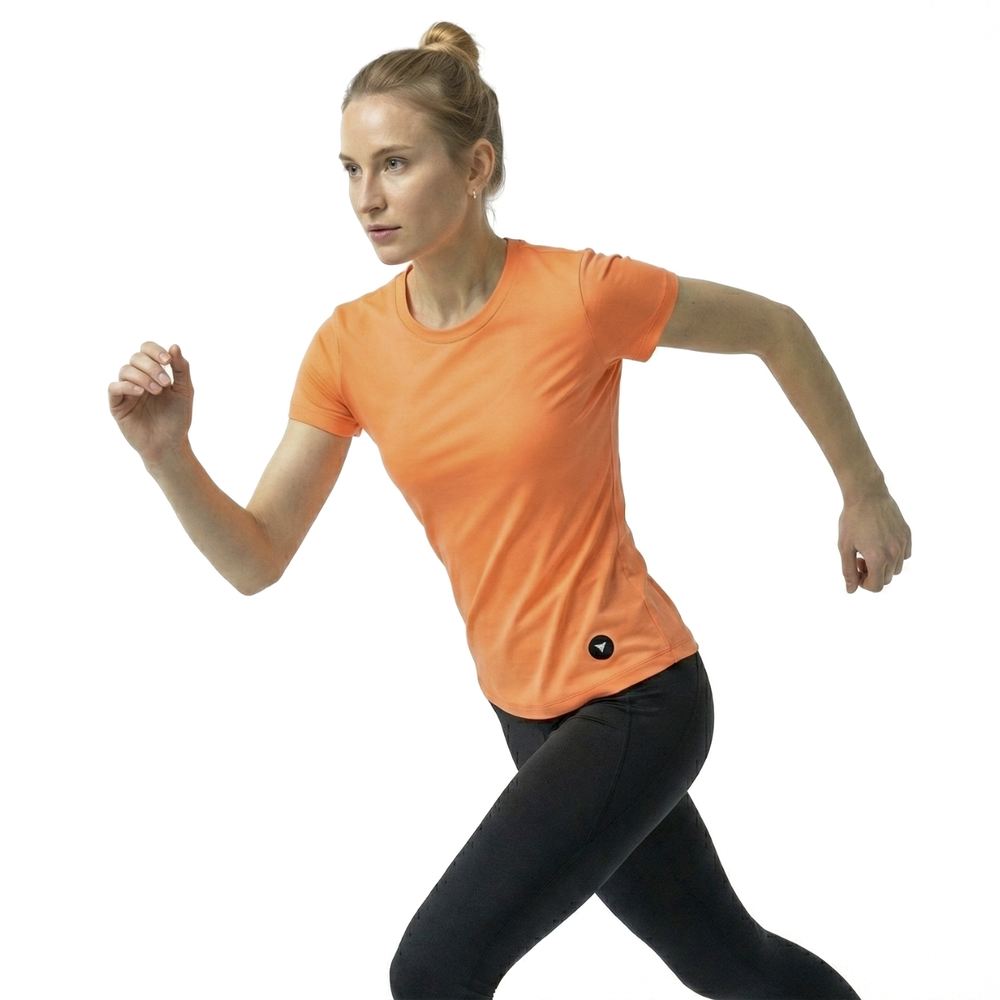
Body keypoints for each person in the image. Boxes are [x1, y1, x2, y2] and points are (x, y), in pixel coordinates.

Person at [108, 21, 910, 1000]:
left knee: (435, 968)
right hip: (526, 712)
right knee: (732, 962)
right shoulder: (349, 346)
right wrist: (168, 454)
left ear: (475, 166)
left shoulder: (579, 294)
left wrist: (863, 489)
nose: (366, 198)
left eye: (395, 164)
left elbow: (775, 329)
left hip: (636, 697)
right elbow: (257, 555)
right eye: (351, 169)